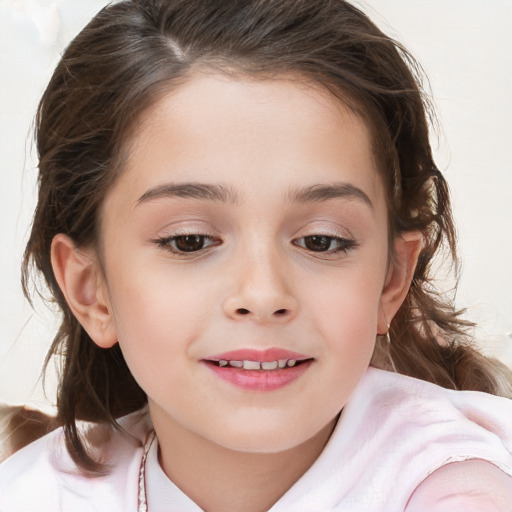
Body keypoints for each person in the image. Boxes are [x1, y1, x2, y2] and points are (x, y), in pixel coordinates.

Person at [1, 0, 511, 510]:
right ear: (91, 291)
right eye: (190, 241)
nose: (263, 295)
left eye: (321, 240)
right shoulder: (33, 492)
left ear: (391, 279)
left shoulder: (461, 491)